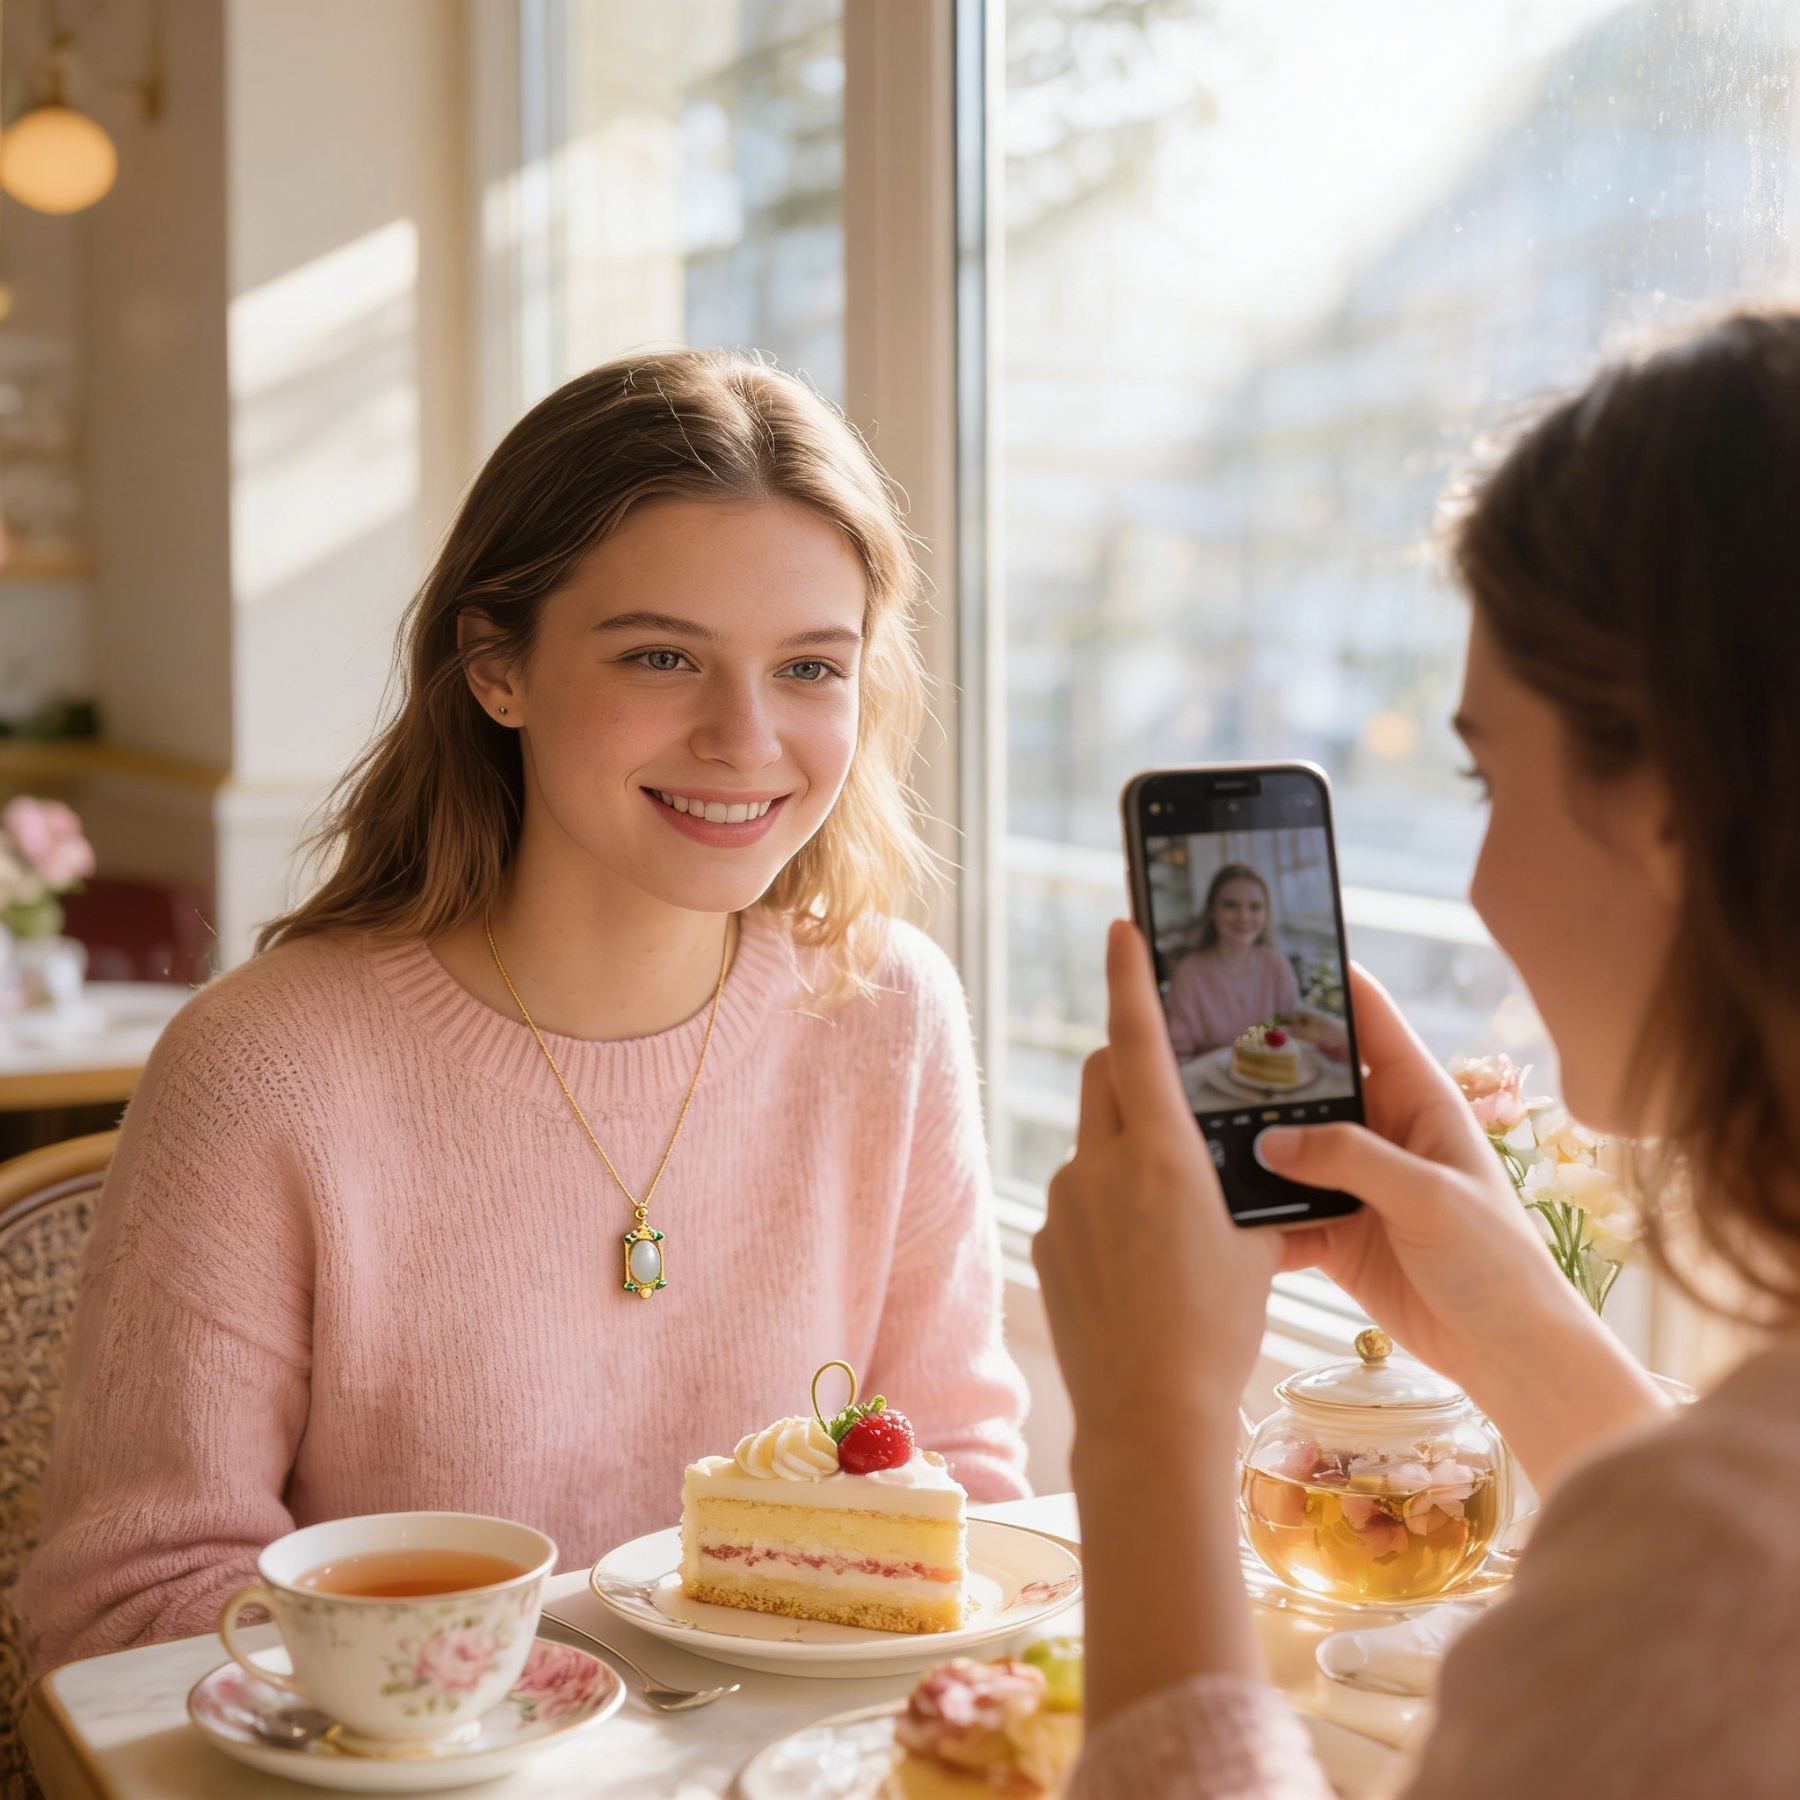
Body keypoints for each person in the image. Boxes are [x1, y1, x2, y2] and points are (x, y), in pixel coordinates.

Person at [21, 351, 1028, 1673]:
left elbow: (959, 1499)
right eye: (663, 656)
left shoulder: (890, 1014)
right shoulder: (265, 1065)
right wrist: (544, 1714)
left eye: (808, 669)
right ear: (497, 666)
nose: (745, 738)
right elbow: (124, 1604)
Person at [1036, 308, 1800, 1798]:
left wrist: (1147, 1431)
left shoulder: (1708, 1581)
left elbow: (1724, 1596)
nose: (1477, 883)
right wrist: (1516, 1325)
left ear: (1664, 808)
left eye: (1485, 775)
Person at [1165, 864, 1301, 1059]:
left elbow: (1294, 1031)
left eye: (1255, 907)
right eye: (1231, 905)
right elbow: (1179, 1054)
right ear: (1212, 910)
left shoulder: (1275, 964)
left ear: (1266, 914)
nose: (1244, 917)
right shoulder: (1189, 972)